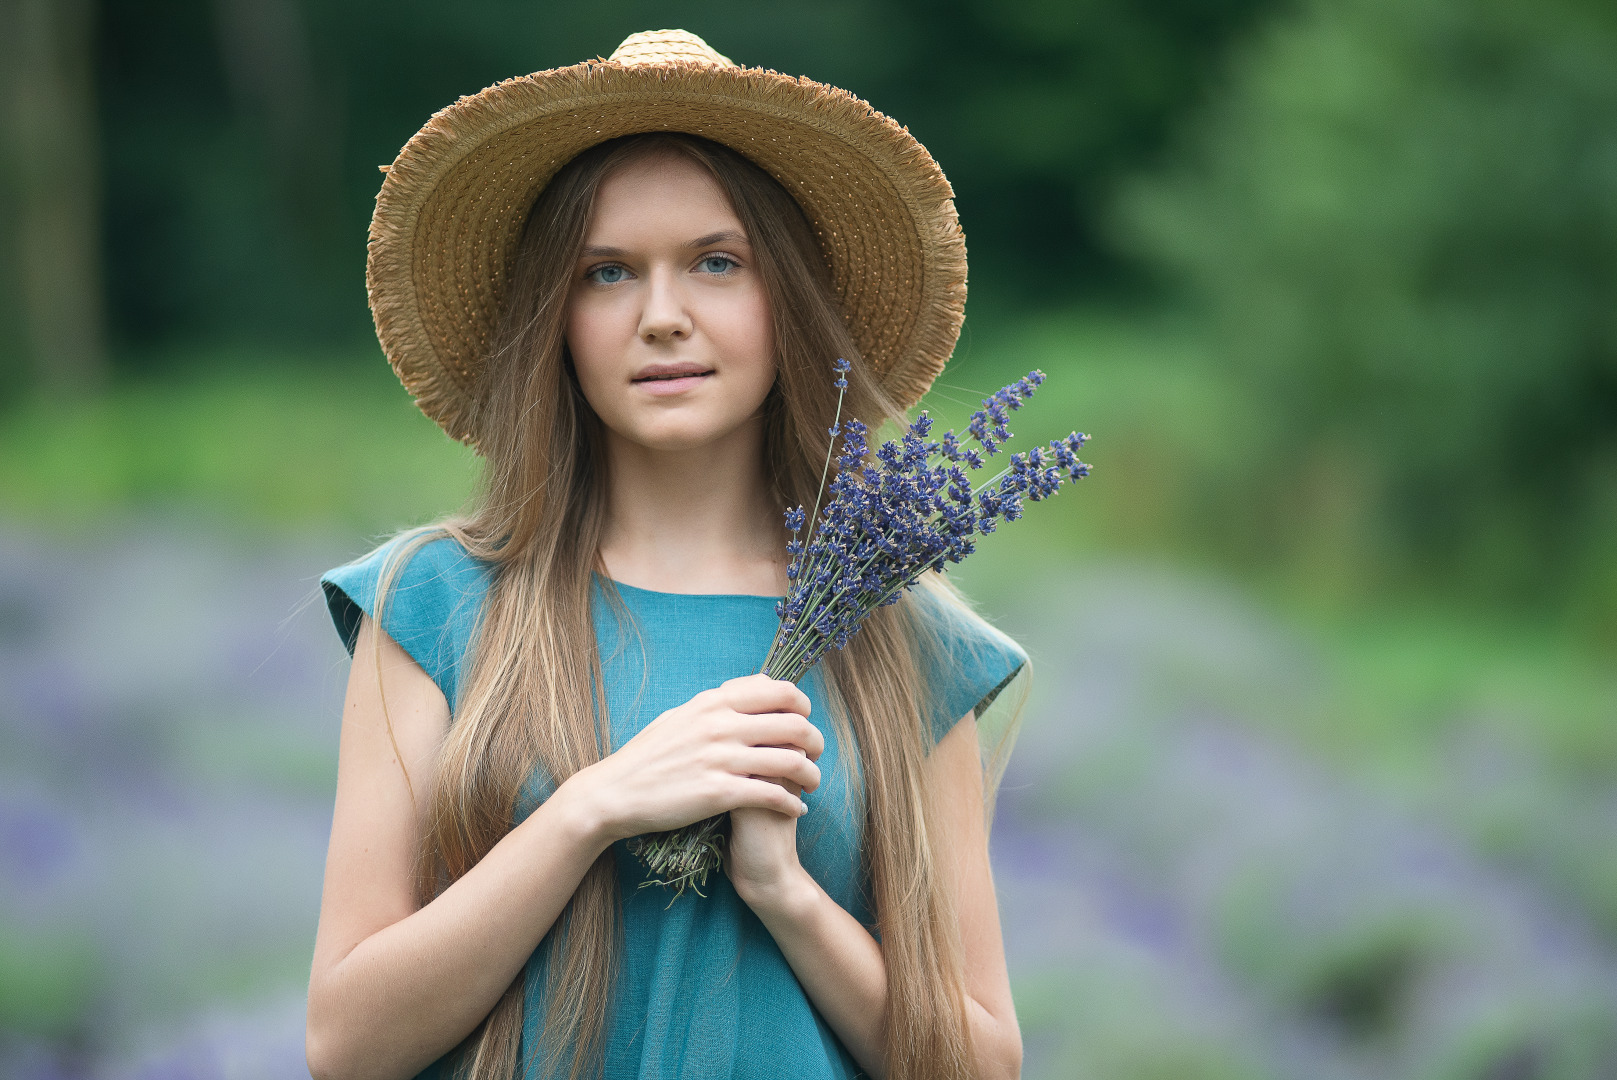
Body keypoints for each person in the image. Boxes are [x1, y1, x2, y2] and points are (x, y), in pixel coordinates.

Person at [306, 29, 1027, 1080]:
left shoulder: (901, 636)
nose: (661, 317)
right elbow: (344, 1043)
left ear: (786, 302)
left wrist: (788, 897)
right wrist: (591, 811)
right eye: (606, 274)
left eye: (717, 263)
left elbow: (980, 1065)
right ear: (555, 321)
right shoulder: (435, 606)